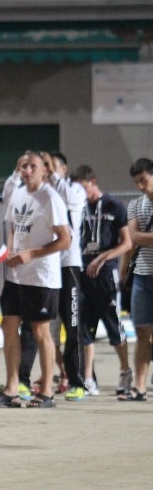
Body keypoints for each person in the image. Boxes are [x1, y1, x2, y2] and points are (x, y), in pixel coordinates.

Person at [0, 152, 70, 409]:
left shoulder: (50, 198)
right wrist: (11, 250)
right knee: (8, 325)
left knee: (40, 331)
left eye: (33, 166)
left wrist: (31, 253)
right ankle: (12, 388)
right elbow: (12, 226)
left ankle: (46, 392)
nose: (28, 170)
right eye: (24, 166)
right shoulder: (17, 194)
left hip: (41, 276)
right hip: (16, 275)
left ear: (44, 170)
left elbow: (65, 239)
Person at [71, 165, 134, 397]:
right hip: (83, 274)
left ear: (93, 182)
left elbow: (127, 243)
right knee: (83, 329)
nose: (80, 194)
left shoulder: (114, 205)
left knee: (114, 326)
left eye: (83, 188)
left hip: (106, 274)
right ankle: (88, 378)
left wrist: (102, 258)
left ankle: (125, 371)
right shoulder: (77, 208)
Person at [122, 158, 153, 401]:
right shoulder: (135, 205)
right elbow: (132, 238)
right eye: (137, 182)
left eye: (144, 180)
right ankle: (139, 386)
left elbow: (138, 236)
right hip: (142, 276)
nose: (141, 186)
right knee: (141, 333)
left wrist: (143, 236)